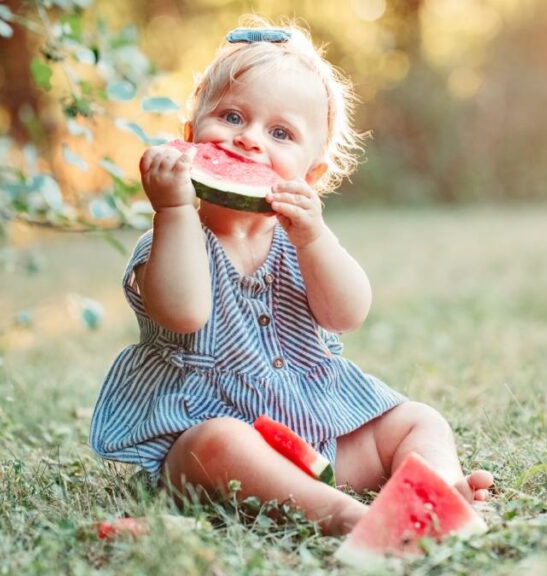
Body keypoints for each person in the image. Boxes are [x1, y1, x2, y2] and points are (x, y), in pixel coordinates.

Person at [89, 18, 493, 535]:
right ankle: (347, 516)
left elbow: (346, 313)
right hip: (212, 451)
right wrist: (172, 210)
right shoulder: (170, 241)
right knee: (219, 443)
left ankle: (436, 491)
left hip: (317, 432)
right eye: (232, 116)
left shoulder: (301, 243)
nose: (249, 141)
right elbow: (185, 313)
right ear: (190, 136)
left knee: (419, 420)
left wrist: (314, 239)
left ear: (312, 175)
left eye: (280, 133)